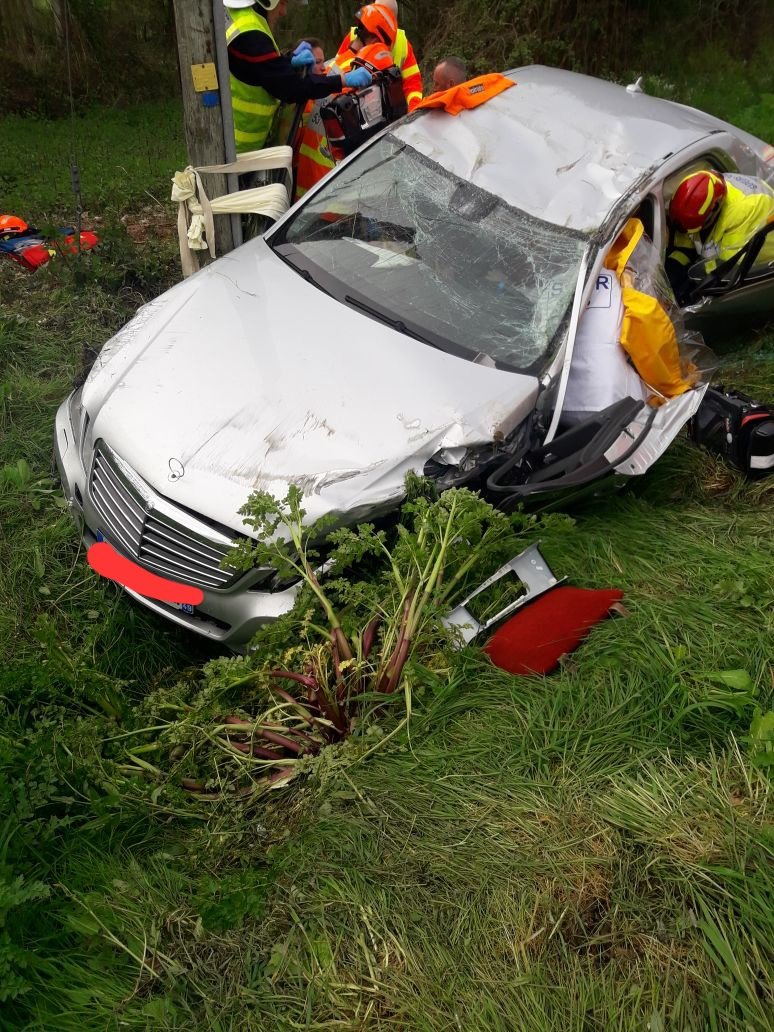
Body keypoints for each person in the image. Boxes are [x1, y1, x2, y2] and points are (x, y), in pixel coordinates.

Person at [223, 0, 372, 155]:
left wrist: (289, 61)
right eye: (282, 3)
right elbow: (291, 87)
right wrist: (342, 80)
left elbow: (262, 69)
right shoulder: (252, 33)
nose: (283, 12)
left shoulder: (242, 18)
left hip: (234, 143)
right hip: (237, 149)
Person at [666, 169, 774, 299]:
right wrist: (671, 271)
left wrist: (690, 285)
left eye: (699, 228)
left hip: (763, 270)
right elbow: (684, 244)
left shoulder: (746, 210)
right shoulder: (702, 191)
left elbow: (728, 267)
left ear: (715, 209)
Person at [334, 0, 423, 111]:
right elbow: (335, 72)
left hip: (389, 109)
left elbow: (413, 85)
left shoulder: (403, 44)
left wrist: (412, 113)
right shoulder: (354, 35)